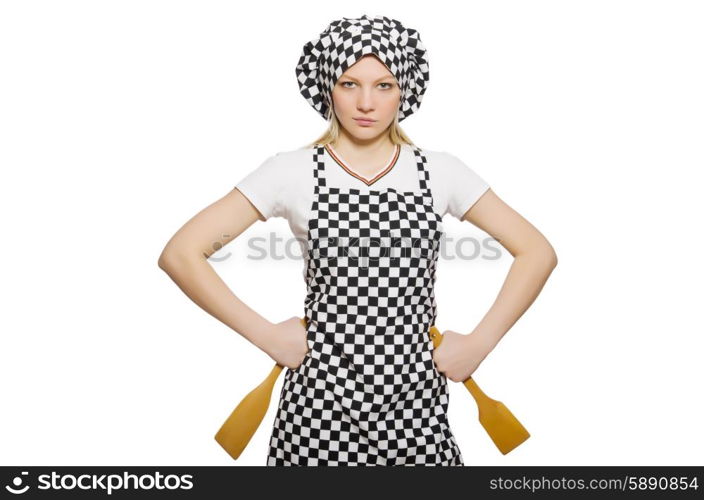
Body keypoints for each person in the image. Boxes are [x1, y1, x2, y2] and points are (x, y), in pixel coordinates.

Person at [158, 14, 558, 466]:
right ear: (328, 87)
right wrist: (267, 336)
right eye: (350, 84)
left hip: (415, 404)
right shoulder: (292, 172)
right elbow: (181, 253)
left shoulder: (439, 171)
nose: (366, 102)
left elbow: (536, 251)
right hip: (316, 407)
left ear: (404, 89)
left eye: (383, 85)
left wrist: (480, 344)